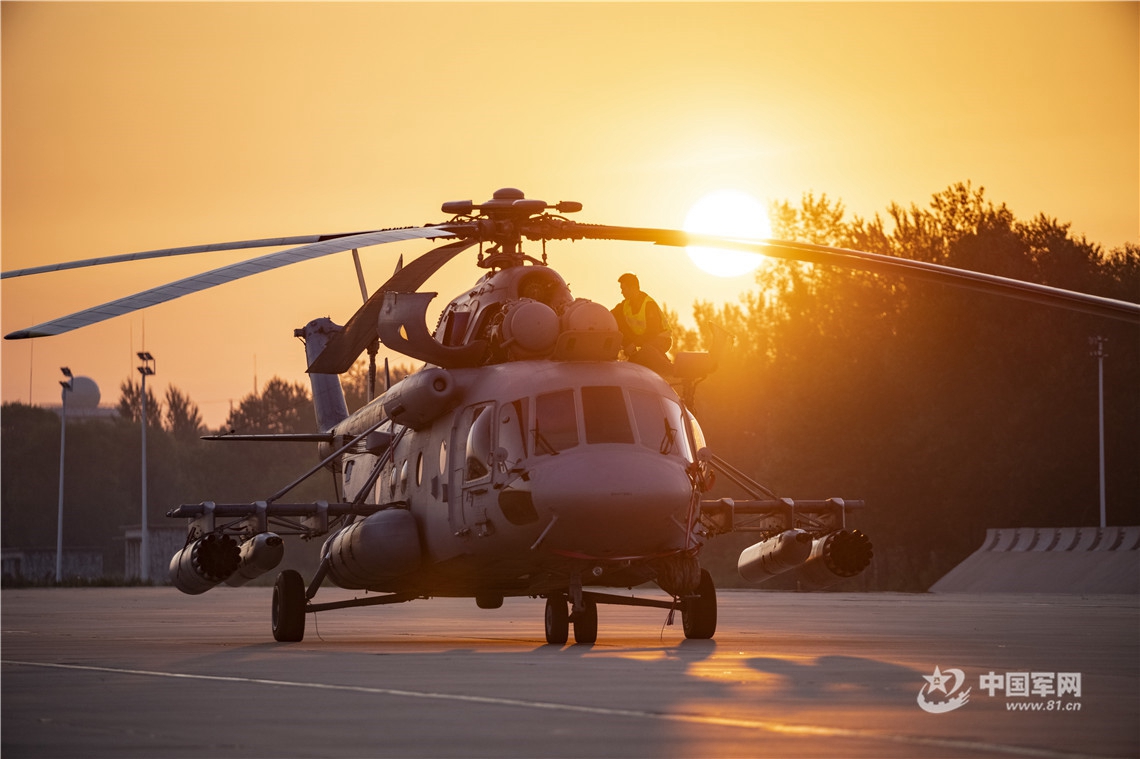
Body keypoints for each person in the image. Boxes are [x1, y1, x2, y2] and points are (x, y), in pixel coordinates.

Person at [612, 273, 672, 373]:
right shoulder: (625, 305)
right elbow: (610, 315)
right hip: (643, 341)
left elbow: (652, 333)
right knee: (636, 359)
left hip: (661, 339)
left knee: (647, 351)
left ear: (633, 288)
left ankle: (670, 371)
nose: (621, 292)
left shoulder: (649, 304)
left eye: (624, 288)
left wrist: (634, 345)